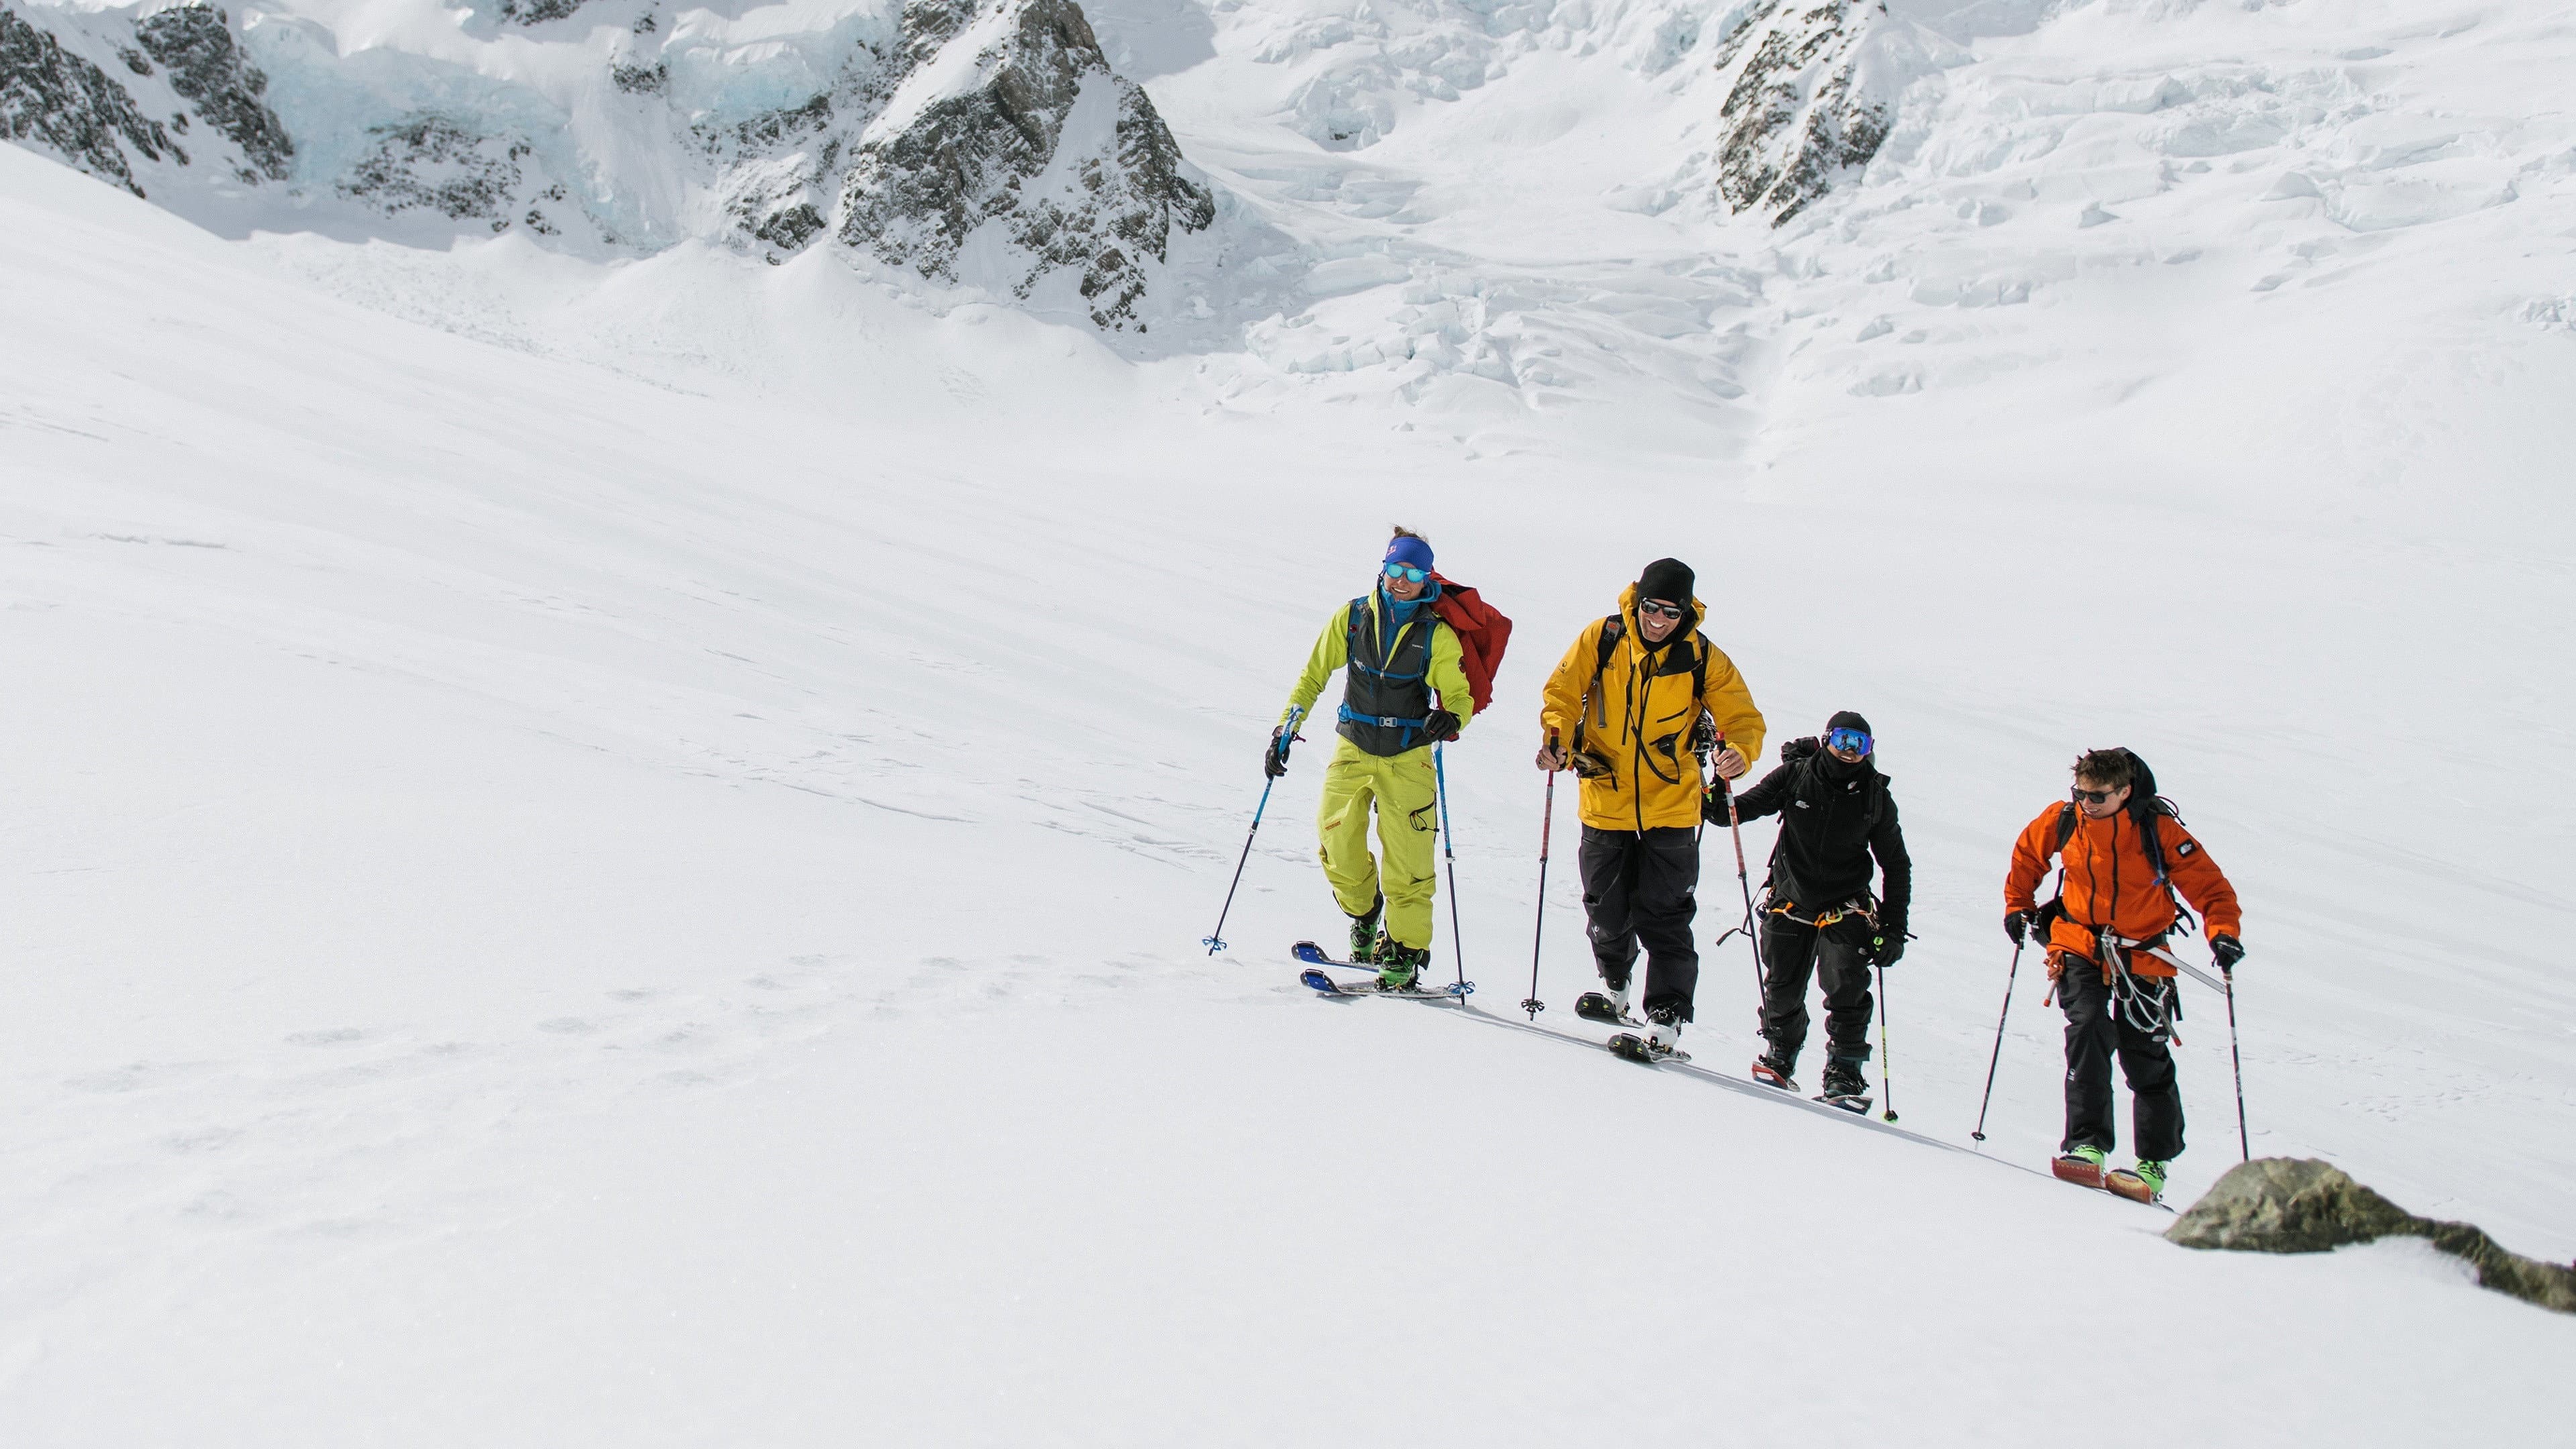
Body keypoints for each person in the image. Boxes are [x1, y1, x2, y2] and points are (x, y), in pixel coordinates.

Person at [1536, 558, 1764, 1059]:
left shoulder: (1703, 657)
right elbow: (1563, 692)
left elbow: (1742, 718)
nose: (1658, 619)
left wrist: (1739, 754)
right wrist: (1556, 737)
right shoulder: (1604, 639)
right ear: (1637, 601)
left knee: (1666, 915)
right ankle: (1616, 985)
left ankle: (1666, 1017)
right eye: (1651, 608)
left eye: (1671, 612)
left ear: (1687, 614)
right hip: (1605, 797)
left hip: (1673, 807)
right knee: (1606, 909)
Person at [2004, 748, 2244, 1201]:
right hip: (2078, 942)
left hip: (2144, 954)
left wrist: (2224, 935)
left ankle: (2152, 1162)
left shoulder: (2159, 830)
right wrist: (2018, 906)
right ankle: (2086, 1144)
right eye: (2081, 794)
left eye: (2098, 796)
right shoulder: (2065, 819)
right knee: (2088, 1028)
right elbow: (2027, 858)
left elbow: (2211, 889)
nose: (2087, 804)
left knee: (2143, 1055)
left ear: (2125, 792)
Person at [1271, 528, 1476, 990]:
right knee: (1335, 841)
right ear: (1383, 569)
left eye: (1414, 574)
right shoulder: (1353, 618)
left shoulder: (1435, 634)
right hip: (1354, 746)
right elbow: (1313, 676)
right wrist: (1286, 729)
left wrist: (1451, 718)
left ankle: (1404, 952)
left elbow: (1458, 694)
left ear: (1427, 580)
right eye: (1396, 570)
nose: (1402, 581)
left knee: (1410, 863)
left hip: (1409, 755)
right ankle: (1366, 916)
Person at [1721, 711, 1911, 1103]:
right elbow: (1738, 810)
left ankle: (1845, 1071)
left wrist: (1893, 929)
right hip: (1790, 900)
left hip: (1847, 907)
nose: (1850, 751)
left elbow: (1896, 864)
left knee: (1845, 985)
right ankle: (1781, 1054)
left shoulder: (1876, 796)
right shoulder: (1795, 775)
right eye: (1844, 740)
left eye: (1860, 745)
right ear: (1827, 739)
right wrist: (1713, 790)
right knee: (1782, 986)